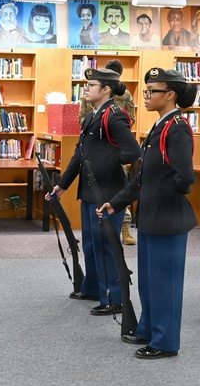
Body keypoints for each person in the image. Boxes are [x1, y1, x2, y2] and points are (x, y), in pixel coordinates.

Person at [99, 67, 199, 359]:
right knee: (149, 280)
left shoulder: (177, 126)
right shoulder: (160, 125)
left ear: (170, 95)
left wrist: (162, 198)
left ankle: (165, 341)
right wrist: (116, 202)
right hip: (152, 218)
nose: (146, 96)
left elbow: (185, 177)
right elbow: (143, 179)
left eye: (152, 91)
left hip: (167, 218)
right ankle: (148, 328)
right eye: (146, 90)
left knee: (165, 284)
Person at [48, 67, 140, 316]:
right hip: (89, 191)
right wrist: (62, 184)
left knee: (106, 245)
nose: (85, 89)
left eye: (91, 85)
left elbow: (132, 152)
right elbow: (80, 155)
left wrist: (106, 163)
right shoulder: (91, 117)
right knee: (90, 243)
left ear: (106, 89)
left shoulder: (115, 115)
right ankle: (93, 287)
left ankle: (114, 297)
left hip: (108, 191)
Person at [104, 59, 138, 246]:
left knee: (120, 188)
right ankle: (104, 229)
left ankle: (124, 229)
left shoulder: (124, 94)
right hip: (99, 147)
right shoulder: (96, 91)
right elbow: (83, 119)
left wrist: (114, 125)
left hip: (117, 147)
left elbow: (131, 118)